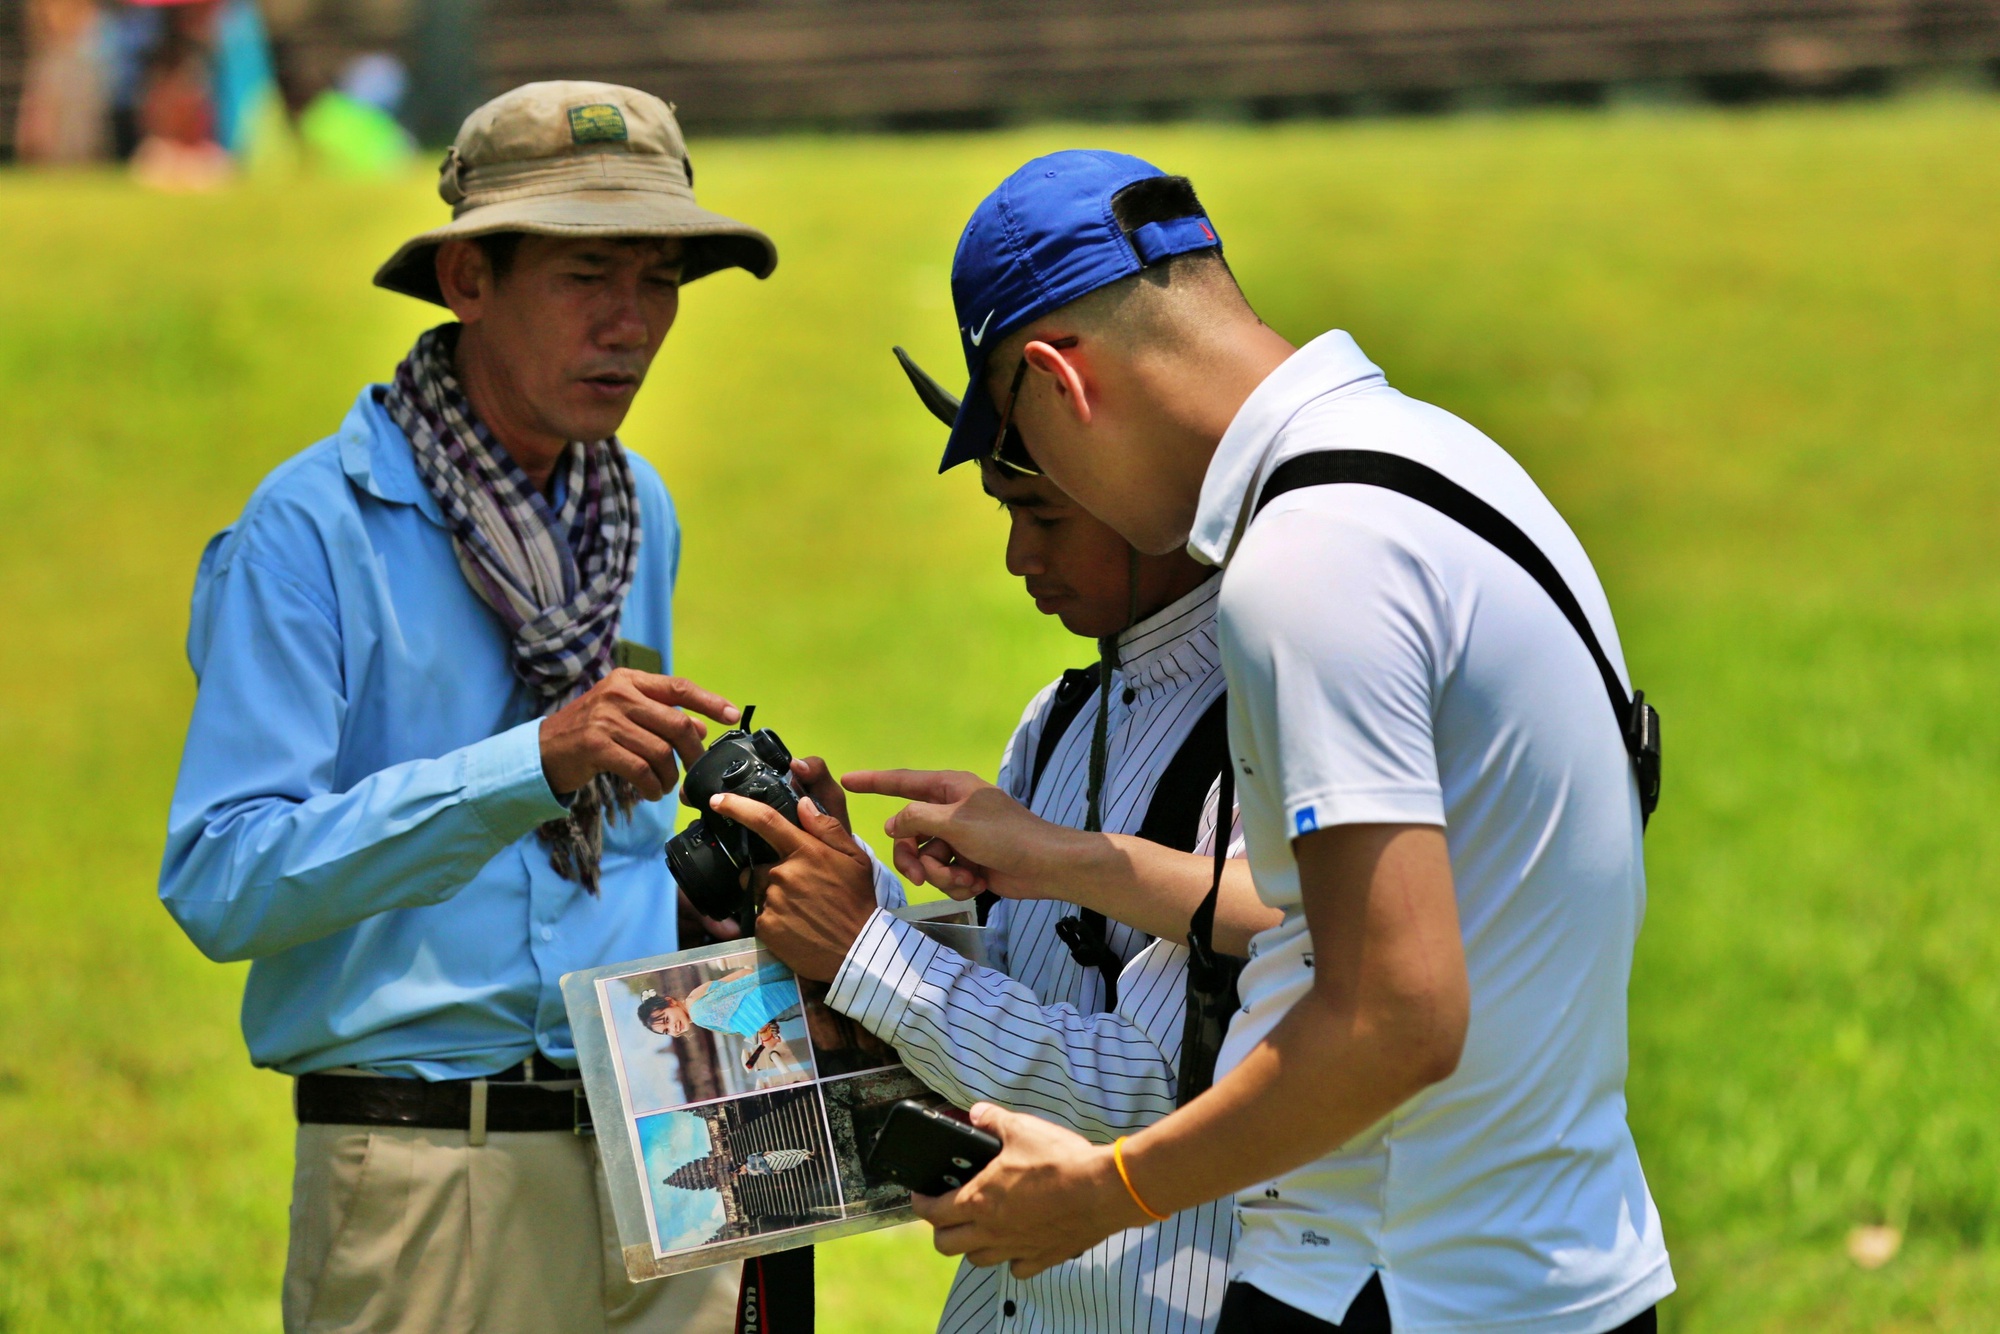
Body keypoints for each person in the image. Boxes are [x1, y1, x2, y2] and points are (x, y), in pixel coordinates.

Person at [839, 151, 1675, 1334]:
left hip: (1386, 1279)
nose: (1029, 509)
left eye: (1022, 452)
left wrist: (1099, 1190)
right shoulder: (1450, 464)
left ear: (1056, 380)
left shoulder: (1305, 554)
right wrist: (1056, 862)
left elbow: (1397, 1014)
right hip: (1555, 1262)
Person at [158, 81, 777, 1334]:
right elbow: (221, 880)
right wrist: (527, 764)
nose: (633, 323)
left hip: (670, 1124)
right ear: (465, 280)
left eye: (659, 278)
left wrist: (739, 859)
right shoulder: (310, 530)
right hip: (432, 1163)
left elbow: (621, 839)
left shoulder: (630, 505)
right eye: (587, 275)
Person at [708, 339, 1285, 1331]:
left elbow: (1153, 1087)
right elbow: (1008, 1004)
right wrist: (838, 892)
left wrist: (860, 948)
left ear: (1139, 482)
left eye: (1041, 512)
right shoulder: (1057, 714)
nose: (1018, 554)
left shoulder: (1257, 722)